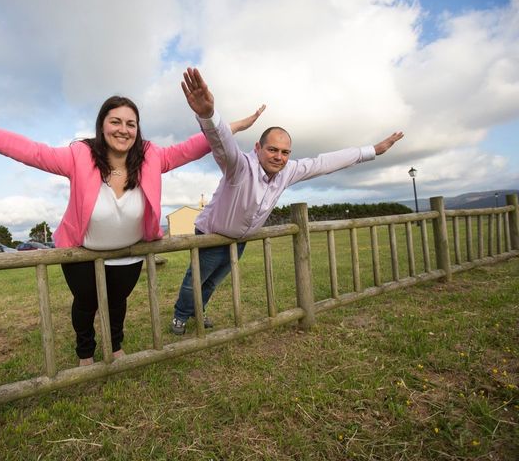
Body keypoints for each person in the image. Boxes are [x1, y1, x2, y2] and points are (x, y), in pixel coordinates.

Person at [0, 88, 263, 366]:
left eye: (130, 123)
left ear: (138, 129)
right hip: (81, 252)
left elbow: (197, 145)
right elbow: (25, 149)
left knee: (117, 302)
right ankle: (85, 353)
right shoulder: (78, 156)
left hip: (129, 254)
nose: (123, 129)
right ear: (102, 126)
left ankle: (116, 347)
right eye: (115, 121)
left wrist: (225, 123)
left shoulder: (153, 157)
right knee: (86, 303)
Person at [170, 67, 404, 334]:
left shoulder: (287, 170)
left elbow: (324, 163)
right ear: (257, 148)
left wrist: (371, 150)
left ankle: (198, 313)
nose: (279, 157)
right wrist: (208, 114)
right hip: (211, 233)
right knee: (196, 280)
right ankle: (180, 315)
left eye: (284, 152)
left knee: (212, 282)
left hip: (239, 238)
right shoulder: (239, 166)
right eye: (272, 150)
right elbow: (221, 142)